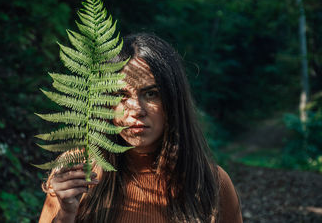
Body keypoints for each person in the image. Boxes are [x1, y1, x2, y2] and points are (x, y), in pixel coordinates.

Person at [39, 33, 242, 223]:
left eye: (151, 94)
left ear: (173, 100)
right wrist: (65, 215)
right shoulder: (77, 170)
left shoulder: (211, 183)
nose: (136, 109)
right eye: (121, 95)